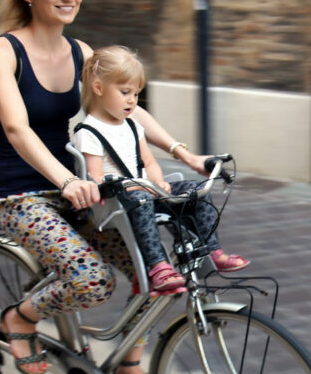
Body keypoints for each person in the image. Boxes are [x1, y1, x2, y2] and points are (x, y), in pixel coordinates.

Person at [0, 0, 240, 374]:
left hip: (86, 188)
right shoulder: (3, 50)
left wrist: (186, 155)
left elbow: (124, 108)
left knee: (155, 273)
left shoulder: (81, 51)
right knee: (92, 280)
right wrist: (65, 180)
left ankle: (129, 360)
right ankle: (19, 317)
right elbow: (16, 128)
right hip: (25, 194)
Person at [71, 45, 250, 296]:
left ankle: (211, 250)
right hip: (118, 203)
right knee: (141, 197)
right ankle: (158, 267)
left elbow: (150, 162)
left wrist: (158, 183)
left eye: (136, 93)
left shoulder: (132, 126)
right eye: (125, 92)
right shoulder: (89, 132)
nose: (132, 100)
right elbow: (96, 177)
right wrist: (129, 187)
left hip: (146, 192)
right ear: (98, 88)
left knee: (195, 190)